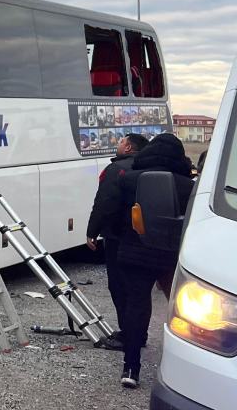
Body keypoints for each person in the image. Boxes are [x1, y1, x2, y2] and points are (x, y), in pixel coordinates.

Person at [108, 133, 194, 389]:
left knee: (137, 308)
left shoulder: (129, 180)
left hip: (135, 253)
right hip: (171, 255)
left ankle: (131, 367)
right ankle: (187, 368)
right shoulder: (189, 187)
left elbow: (115, 214)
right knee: (183, 310)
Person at [85, 132, 149, 351]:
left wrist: (92, 231)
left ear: (129, 147)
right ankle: (139, 333)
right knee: (139, 289)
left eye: (122, 142)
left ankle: (128, 335)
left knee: (120, 286)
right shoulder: (148, 169)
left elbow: (105, 203)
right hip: (143, 237)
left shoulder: (116, 170)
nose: (119, 144)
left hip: (118, 237)